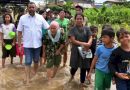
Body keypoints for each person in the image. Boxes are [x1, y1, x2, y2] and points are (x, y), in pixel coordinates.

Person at [17, 2, 49, 85]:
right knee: (27, 62)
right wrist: (19, 44)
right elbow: (19, 32)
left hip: (38, 44)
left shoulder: (40, 18)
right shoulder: (22, 18)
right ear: (27, 8)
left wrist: (57, 29)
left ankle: (34, 73)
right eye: (30, 7)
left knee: (36, 60)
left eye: (33, 7)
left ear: (36, 8)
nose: (31, 9)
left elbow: (48, 27)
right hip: (27, 45)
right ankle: (27, 79)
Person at [69, 13, 92, 89]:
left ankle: (82, 83)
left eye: (80, 18)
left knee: (84, 67)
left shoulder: (87, 28)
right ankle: (72, 75)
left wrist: (89, 43)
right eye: (77, 19)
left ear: (83, 19)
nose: (79, 20)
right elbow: (73, 40)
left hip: (85, 50)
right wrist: (84, 43)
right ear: (75, 20)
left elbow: (90, 37)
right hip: (76, 50)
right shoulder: (72, 29)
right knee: (74, 66)